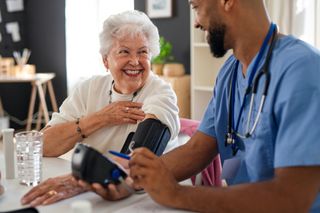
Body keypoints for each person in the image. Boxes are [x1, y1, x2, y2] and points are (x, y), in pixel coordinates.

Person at [126, 0, 320, 212]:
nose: (196, 23)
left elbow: (291, 198)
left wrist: (177, 194)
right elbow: (197, 149)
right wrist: (131, 181)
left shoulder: (303, 71)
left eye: (196, 7)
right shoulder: (230, 71)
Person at [20, 10, 180, 206]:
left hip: (145, 197)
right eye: (124, 52)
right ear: (105, 60)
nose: (135, 61)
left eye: (143, 52)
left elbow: (141, 165)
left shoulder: (161, 93)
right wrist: (101, 118)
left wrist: (81, 181)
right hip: (95, 194)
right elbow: (45, 145)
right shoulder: (90, 88)